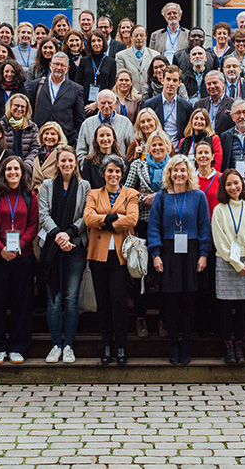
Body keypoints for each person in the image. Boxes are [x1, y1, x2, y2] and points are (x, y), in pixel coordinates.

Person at [148, 155, 212, 364]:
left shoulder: (198, 196)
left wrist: (203, 254)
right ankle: (173, 344)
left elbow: (204, 226)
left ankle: (186, 344)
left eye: (183, 170)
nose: (179, 174)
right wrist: (155, 254)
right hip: (168, 251)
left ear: (189, 173)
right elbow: (154, 227)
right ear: (169, 173)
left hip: (192, 251)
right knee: (171, 300)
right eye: (175, 170)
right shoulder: (161, 197)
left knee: (189, 300)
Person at [0, 155, 39, 365]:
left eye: (17, 169)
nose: (13, 172)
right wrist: (1, 248)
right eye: (9, 169)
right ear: (3, 173)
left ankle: (17, 347)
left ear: (23, 173)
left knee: (22, 303)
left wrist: (19, 246)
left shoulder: (29, 196)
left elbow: (33, 226)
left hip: (22, 257)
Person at [37, 146, 90, 364]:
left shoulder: (85, 186)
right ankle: (55, 345)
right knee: (54, 299)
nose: (67, 164)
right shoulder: (48, 186)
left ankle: (68, 345)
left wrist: (68, 235)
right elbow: (43, 214)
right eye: (63, 161)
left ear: (75, 163)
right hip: (51, 246)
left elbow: (87, 215)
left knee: (70, 297)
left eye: (70, 160)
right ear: (57, 163)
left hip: (75, 246)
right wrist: (58, 235)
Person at [84, 155, 139, 364]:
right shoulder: (94, 193)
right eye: (110, 171)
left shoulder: (131, 194)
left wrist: (104, 221)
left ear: (122, 173)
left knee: (118, 301)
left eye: (117, 171)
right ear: (103, 174)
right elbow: (88, 218)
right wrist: (112, 219)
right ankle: (106, 344)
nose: (113, 174)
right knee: (103, 302)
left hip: (120, 255)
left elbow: (132, 219)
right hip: (98, 254)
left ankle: (122, 346)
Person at [211, 168, 245, 364]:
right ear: (223, 187)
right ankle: (228, 345)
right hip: (226, 262)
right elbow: (220, 240)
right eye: (229, 184)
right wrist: (235, 263)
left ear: (242, 184)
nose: (233, 187)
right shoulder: (219, 209)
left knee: (243, 306)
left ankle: (240, 343)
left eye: (236, 183)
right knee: (225, 306)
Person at [30, 52, 85, 144]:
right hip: (40, 137)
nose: (59, 68)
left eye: (62, 65)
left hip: (66, 138)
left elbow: (79, 117)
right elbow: (30, 111)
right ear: (50, 65)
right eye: (56, 64)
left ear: (67, 68)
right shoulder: (36, 85)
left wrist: (75, 138)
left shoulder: (76, 89)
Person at [77, 89, 135, 161]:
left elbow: (131, 150)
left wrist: (124, 167)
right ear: (97, 104)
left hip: (118, 170)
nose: (106, 106)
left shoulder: (125, 123)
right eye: (103, 103)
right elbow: (80, 152)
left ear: (115, 104)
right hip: (93, 169)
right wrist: (88, 167)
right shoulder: (87, 124)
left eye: (110, 103)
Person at [76, 30, 117, 111]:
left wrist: (96, 104)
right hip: (85, 106)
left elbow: (112, 86)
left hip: (105, 106)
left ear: (103, 42)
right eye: (93, 41)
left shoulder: (111, 62)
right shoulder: (84, 61)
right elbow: (78, 84)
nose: (96, 43)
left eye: (99, 40)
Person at [116, 25, 157, 95]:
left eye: (141, 35)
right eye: (136, 35)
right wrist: (135, 93)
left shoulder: (154, 55)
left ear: (146, 37)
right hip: (129, 96)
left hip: (150, 96)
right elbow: (121, 77)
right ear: (131, 37)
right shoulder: (121, 56)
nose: (139, 38)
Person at [1, 92, 39, 167]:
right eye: (16, 105)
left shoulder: (32, 127)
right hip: (5, 166)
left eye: (22, 107)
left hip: (26, 166)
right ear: (10, 106)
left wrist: (27, 164)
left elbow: (35, 148)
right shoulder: (1, 125)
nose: (19, 109)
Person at [81, 124, 122, 190]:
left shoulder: (122, 161)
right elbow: (87, 187)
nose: (105, 139)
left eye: (108, 135)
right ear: (96, 139)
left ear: (113, 138)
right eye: (101, 135)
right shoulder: (89, 161)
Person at [194, 70, 235, 135]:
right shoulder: (199, 104)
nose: (212, 86)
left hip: (224, 143)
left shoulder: (233, 104)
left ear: (223, 83)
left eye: (215, 83)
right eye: (209, 84)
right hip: (203, 143)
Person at [31, 121, 69, 190]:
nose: (49, 137)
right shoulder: (38, 154)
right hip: (37, 195)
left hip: (55, 193)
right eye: (46, 133)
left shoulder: (63, 153)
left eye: (53, 134)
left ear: (59, 137)